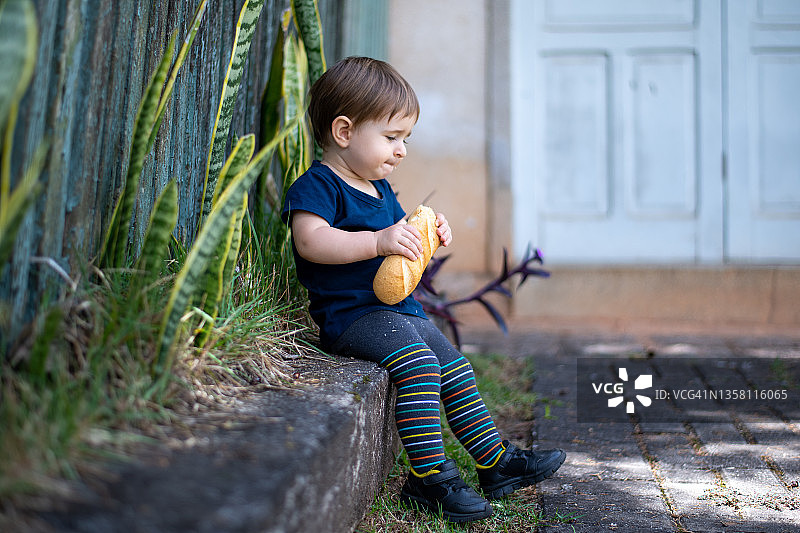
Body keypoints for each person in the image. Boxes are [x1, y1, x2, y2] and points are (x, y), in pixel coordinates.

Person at [281, 56, 565, 523]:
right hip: (353, 317)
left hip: (399, 312)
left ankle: (495, 462)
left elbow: (399, 249)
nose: (402, 150)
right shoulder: (320, 185)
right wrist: (376, 240)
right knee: (419, 364)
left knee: (453, 364)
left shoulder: (381, 188)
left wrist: (427, 234)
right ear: (344, 131)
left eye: (405, 139)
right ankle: (429, 477)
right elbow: (311, 242)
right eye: (391, 137)